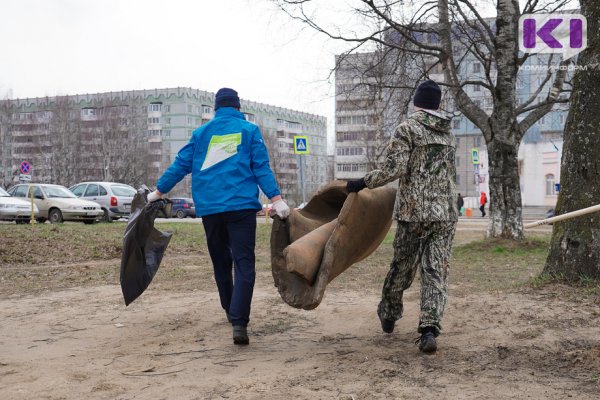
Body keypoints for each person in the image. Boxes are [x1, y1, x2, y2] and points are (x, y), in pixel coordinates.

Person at [147, 88, 290, 345]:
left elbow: (180, 164)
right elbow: (261, 168)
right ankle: (239, 322)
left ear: (216, 108)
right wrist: (276, 199)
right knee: (244, 263)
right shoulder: (249, 131)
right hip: (241, 209)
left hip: (211, 210)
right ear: (238, 107)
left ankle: (229, 307)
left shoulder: (201, 134)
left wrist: (159, 191)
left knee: (221, 262)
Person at [346, 79, 457, 354]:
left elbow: (394, 169)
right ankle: (429, 329)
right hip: (444, 214)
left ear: (416, 102)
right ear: (438, 104)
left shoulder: (407, 128)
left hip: (414, 213)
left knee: (402, 267)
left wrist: (362, 182)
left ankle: (389, 313)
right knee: (435, 271)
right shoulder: (448, 133)